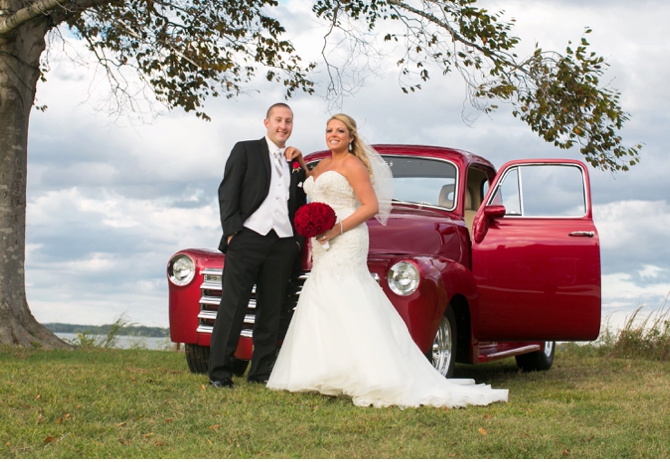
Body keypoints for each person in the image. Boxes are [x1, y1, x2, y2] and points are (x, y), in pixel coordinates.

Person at [267, 113, 508, 408]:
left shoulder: (353, 165)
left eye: (340, 131)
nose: (333, 134)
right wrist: (303, 162)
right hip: (322, 241)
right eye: (329, 130)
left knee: (349, 297)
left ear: (351, 137)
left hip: (346, 237)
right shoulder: (323, 164)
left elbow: (370, 206)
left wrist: (337, 229)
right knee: (322, 298)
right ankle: (324, 371)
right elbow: (313, 185)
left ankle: (370, 372)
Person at [208, 103, 307, 388]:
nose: (283, 126)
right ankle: (219, 374)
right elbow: (228, 191)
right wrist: (232, 232)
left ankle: (261, 372)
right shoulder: (245, 150)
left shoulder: (295, 162)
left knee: (271, 310)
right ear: (266, 122)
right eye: (278, 120)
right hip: (247, 238)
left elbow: (300, 204)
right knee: (233, 306)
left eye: (288, 121)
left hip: (282, 244)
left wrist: (297, 243)